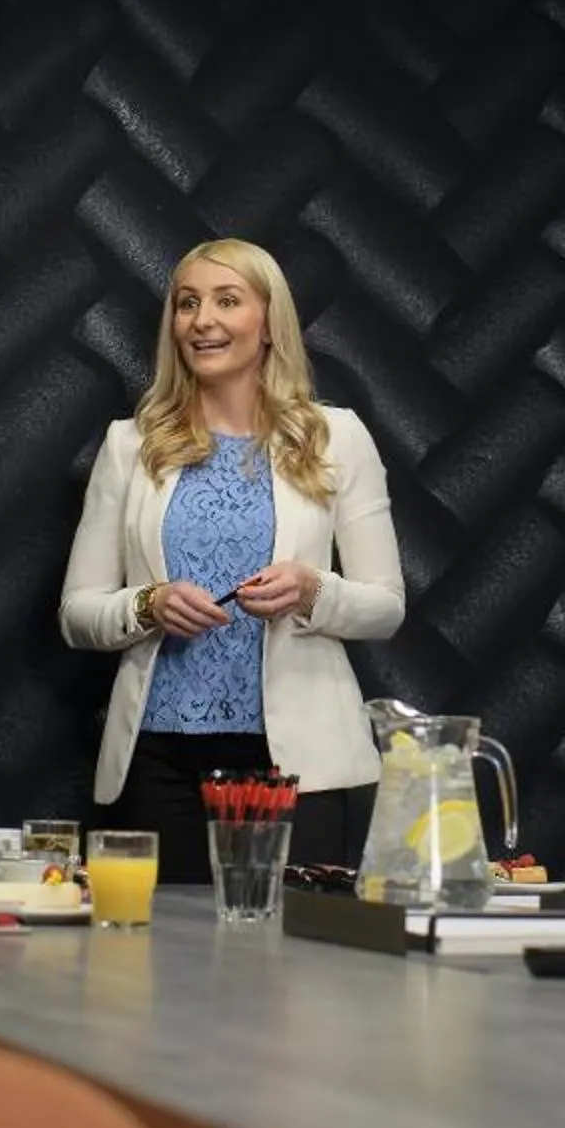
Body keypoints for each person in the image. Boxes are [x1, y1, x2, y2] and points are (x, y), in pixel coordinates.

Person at [60, 238, 403, 882]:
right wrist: (147, 604)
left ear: (269, 323)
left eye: (226, 300)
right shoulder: (129, 445)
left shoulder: (338, 437)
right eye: (187, 304)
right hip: (158, 759)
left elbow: (386, 606)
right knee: (157, 966)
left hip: (296, 763)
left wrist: (311, 591)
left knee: (289, 970)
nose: (203, 320)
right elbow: (77, 614)